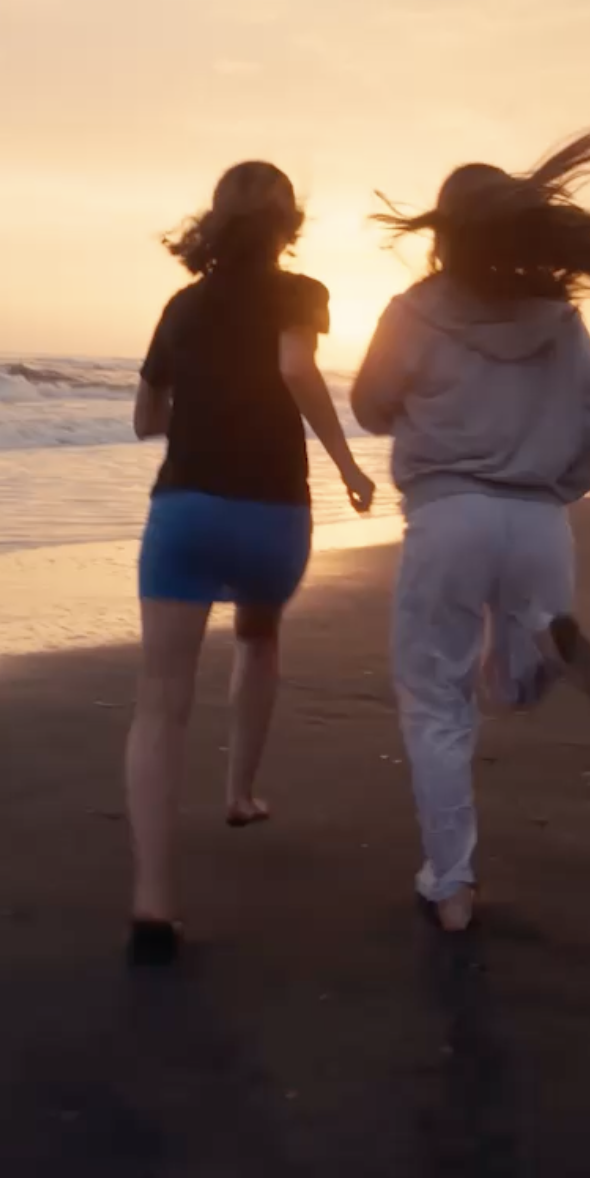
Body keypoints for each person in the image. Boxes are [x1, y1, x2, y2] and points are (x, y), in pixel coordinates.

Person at [351, 121, 590, 935]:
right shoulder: (558, 318)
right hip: (537, 519)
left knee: (436, 701)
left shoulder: (413, 311)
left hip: (448, 516)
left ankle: (451, 887)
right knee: (515, 680)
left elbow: (370, 405)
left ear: (444, 234)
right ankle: (545, 645)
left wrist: (413, 403)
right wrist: (563, 481)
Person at [126, 161, 376, 964]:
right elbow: (297, 367)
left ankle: (154, 903)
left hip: (186, 511)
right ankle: (239, 793)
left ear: (215, 219)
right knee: (258, 638)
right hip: (274, 515)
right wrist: (346, 464)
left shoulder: (182, 306)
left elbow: (145, 418)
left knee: (161, 701)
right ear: (288, 221)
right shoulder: (301, 293)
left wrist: (201, 413)